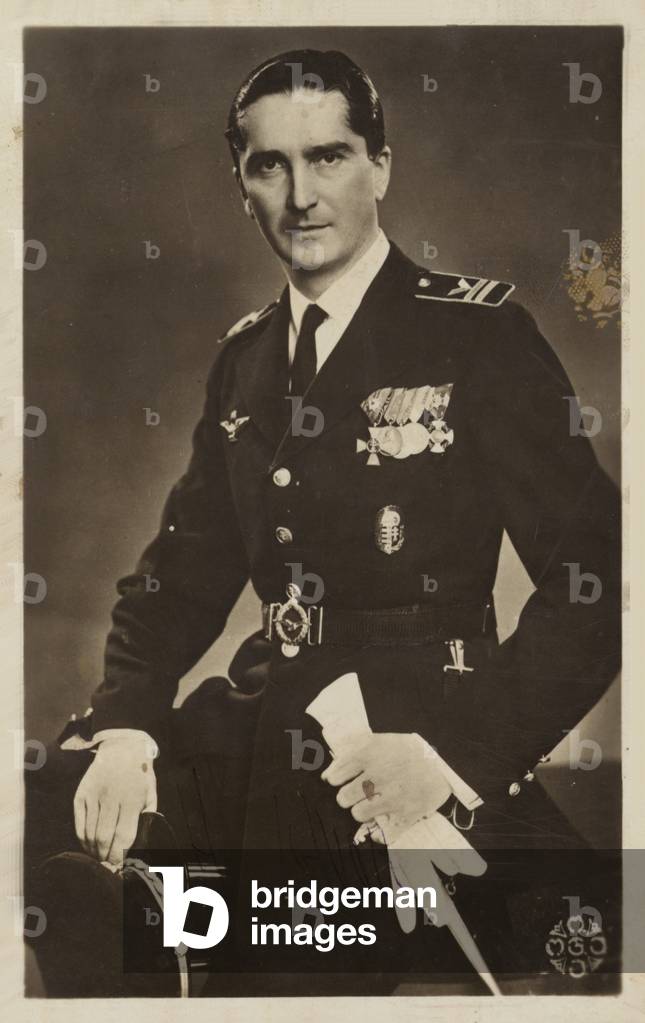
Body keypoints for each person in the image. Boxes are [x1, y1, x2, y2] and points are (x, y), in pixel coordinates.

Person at [28, 49, 621, 996]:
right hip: (262, 721)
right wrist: (128, 725)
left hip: (404, 737)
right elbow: (178, 577)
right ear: (242, 185)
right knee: (47, 807)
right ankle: (163, 938)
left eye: (329, 157)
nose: (301, 195)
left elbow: (597, 576)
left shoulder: (475, 334)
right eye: (270, 165)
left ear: (379, 166)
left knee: (526, 948)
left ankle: (182, 935)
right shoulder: (246, 360)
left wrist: (453, 758)